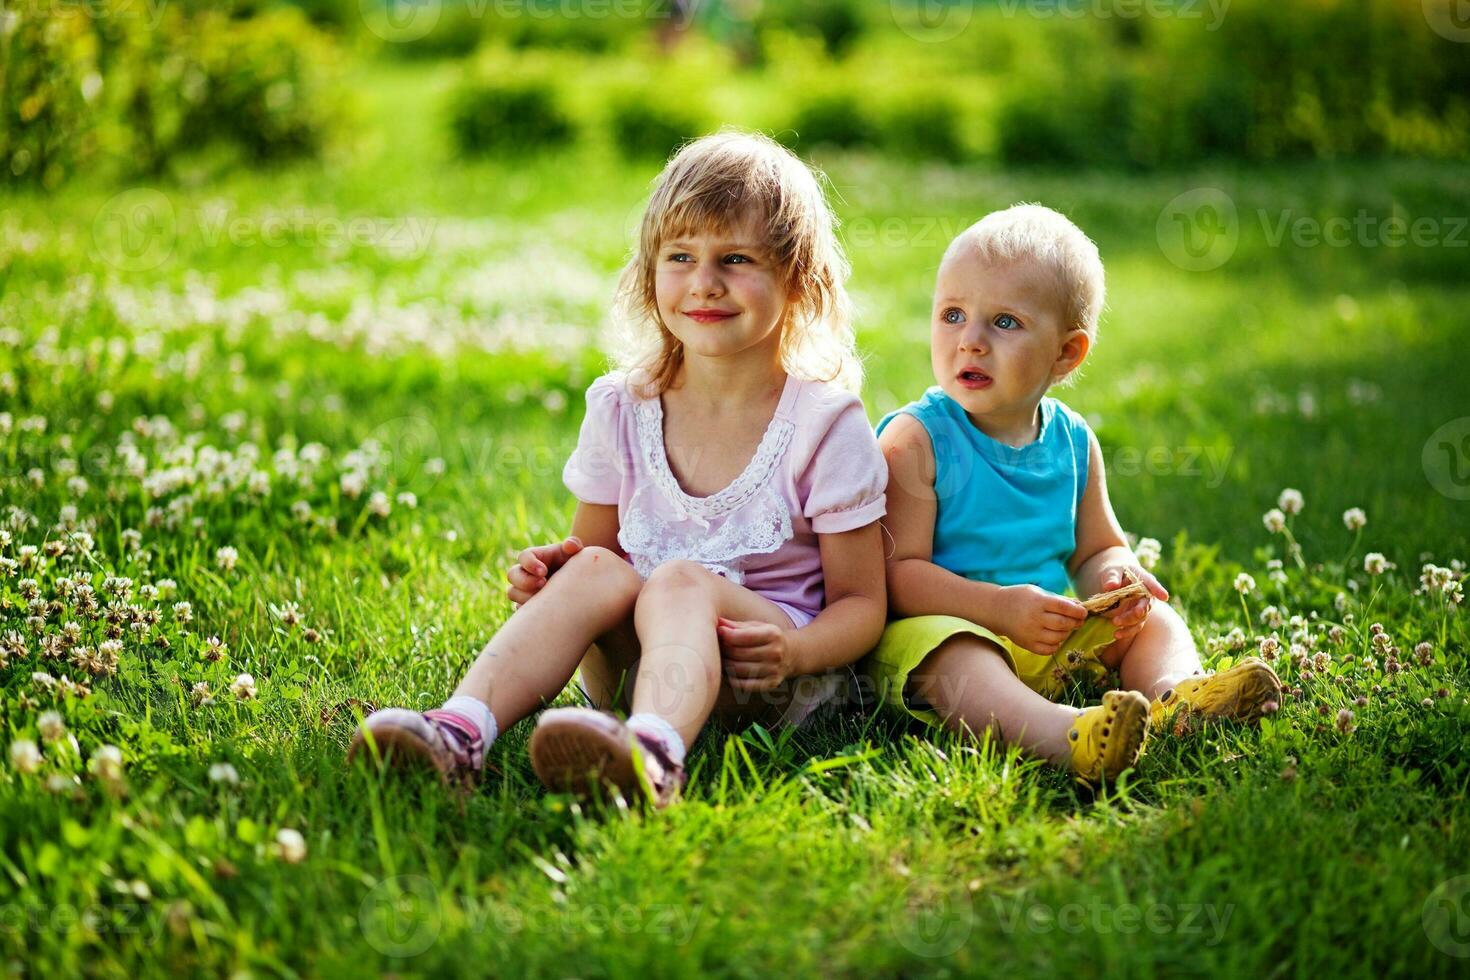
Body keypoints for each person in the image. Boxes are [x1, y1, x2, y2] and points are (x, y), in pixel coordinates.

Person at [350, 132, 888, 807]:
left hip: (766, 681)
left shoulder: (824, 424)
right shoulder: (622, 406)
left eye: (737, 258)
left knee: (683, 581)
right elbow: (598, 554)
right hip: (630, 668)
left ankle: (654, 758)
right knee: (599, 571)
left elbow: (864, 605)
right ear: (649, 272)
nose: (704, 282)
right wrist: (555, 573)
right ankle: (459, 730)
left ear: (799, 279)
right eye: (681, 257)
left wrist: (800, 653)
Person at [864, 204, 1281, 785]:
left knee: (1155, 620)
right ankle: (1065, 737)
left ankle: (1176, 699)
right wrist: (999, 610)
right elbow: (895, 575)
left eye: (1004, 322)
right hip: (943, 631)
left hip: (1050, 634)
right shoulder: (917, 440)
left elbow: (1095, 550)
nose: (971, 342)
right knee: (957, 655)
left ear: (1066, 353)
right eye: (953, 315)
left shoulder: (1073, 441)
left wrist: (1117, 578)